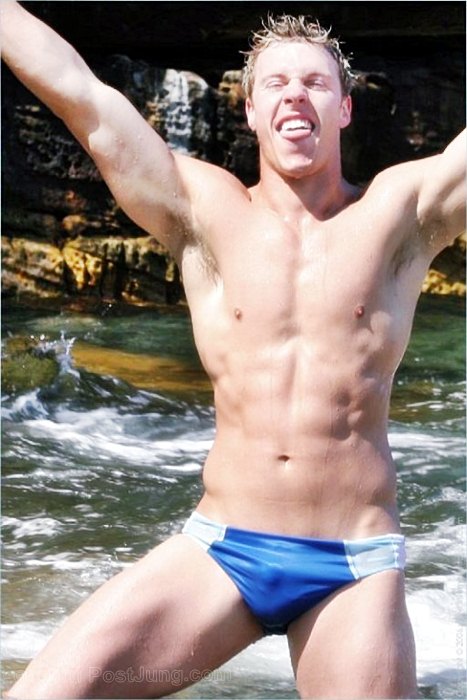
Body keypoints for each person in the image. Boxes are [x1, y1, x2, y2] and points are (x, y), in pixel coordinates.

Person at [1, 2, 465, 698]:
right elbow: (80, 94)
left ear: (344, 108)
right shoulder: (203, 210)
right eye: (276, 83)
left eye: (314, 82)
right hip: (222, 551)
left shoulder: (399, 212)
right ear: (249, 111)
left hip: (352, 564)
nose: (295, 95)